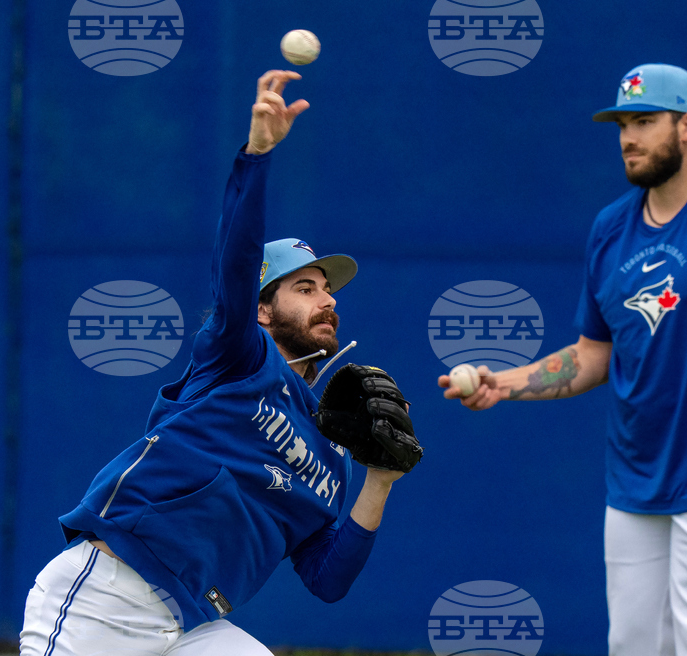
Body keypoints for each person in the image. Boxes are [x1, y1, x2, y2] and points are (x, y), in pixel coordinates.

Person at [439, 63, 687, 656]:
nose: (629, 137)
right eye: (623, 124)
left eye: (645, 121)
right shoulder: (611, 229)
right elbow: (591, 356)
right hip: (636, 478)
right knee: (632, 646)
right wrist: (509, 383)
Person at [20, 70, 409, 655]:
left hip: (192, 621)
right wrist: (258, 155)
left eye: (328, 290)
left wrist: (379, 479)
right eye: (303, 287)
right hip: (110, 590)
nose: (326, 299)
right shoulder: (239, 357)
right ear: (260, 310)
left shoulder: (334, 453)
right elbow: (235, 261)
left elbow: (329, 580)